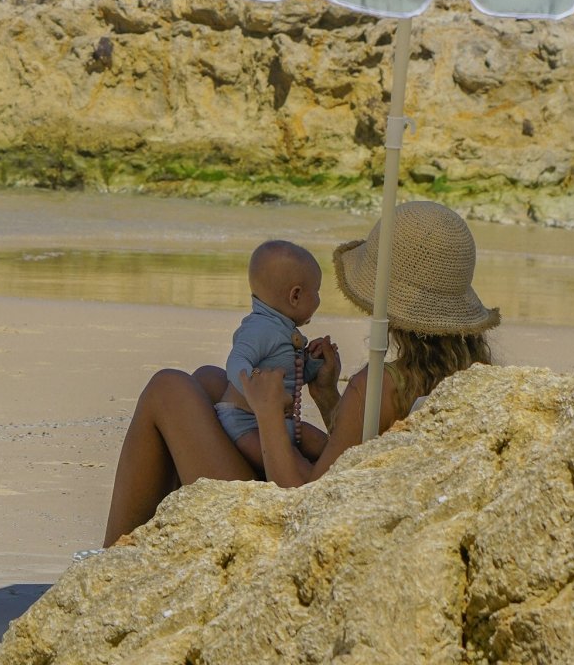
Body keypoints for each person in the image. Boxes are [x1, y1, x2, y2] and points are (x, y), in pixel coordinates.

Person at [101, 201, 499, 548]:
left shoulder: (376, 387)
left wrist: (270, 416)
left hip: (290, 532)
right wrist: (326, 396)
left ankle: (109, 562)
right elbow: (359, 459)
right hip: (347, 510)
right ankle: (146, 549)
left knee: (168, 388)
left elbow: (304, 503)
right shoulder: (459, 378)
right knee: (208, 380)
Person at [214, 240, 326, 472]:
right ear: (295, 296)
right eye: (317, 292)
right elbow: (236, 362)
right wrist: (257, 384)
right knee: (297, 468)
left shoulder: (282, 328)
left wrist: (312, 364)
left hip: (281, 422)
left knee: (324, 445)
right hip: (247, 424)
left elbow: (291, 378)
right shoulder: (260, 329)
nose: (319, 299)